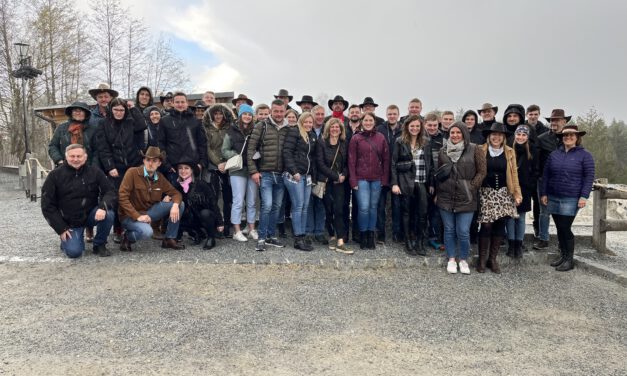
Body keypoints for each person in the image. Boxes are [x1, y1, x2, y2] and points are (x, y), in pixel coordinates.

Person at [41, 144, 116, 258]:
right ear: (66, 157)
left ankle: (99, 244)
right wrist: (61, 228)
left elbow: (110, 191)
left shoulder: (95, 172)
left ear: (85, 157)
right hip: (70, 222)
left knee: (108, 214)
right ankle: (67, 242)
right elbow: (47, 205)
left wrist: (102, 207)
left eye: (79, 156)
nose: (76, 159)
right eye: (72, 156)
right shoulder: (55, 175)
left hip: (90, 214)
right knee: (75, 252)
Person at [541, 125, 595, 272]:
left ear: (577, 138)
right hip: (553, 195)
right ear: (561, 138)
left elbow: (589, 177)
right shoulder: (554, 155)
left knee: (565, 227)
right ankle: (563, 256)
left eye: (571, 135)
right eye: (565, 135)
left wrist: (584, 195)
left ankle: (569, 259)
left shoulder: (585, 155)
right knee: (559, 228)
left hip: (571, 197)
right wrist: (544, 193)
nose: (568, 137)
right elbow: (546, 175)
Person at [436, 122, 486, 275]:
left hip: (466, 197)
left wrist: (471, 187)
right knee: (449, 230)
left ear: (464, 133)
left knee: (463, 231)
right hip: (446, 196)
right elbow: (439, 173)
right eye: (452, 133)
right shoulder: (443, 151)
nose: (455, 135)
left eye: (458, 132)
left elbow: (482, 172)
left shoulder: (475, 149)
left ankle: (463, 259)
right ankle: (451, 258)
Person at [96, 98, 147, 243]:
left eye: (122, 110)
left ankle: (130, 227)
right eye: (116, 110)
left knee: (132, 197)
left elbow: (142, 125)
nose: (119, 113)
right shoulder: (103, 124)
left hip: (132, 164)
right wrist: (110, 166)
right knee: (117, 199)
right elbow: (103, 147)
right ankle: (118, 229)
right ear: (111, 110)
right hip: (115, 168)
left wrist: (134, 109)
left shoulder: (130, 122)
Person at [117, 146, 185, 251]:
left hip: (148, 212)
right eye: (148, 160)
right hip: (129, 215)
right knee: (147, 232)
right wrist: (137, 216)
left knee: (180, 204)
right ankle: (127, 238)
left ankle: (169, 239)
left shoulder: (160, 177)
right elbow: (122, 197)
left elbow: (176, 193)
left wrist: (175, 205)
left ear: (159, 163)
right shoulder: (132, 172)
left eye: (154, 161)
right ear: (143, 161)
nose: (150, 163)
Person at [476, 123, 522, 274]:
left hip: (503, 192)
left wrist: (517, 193)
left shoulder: (509, 152)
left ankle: (492, 259)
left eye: (500, 135)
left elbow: (514, 174)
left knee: (500, 224)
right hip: (486, 192)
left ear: (503, 138)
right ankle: (482, 258)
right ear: (489, 136)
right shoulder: (480, 150)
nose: (496, 137)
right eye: (493, 135)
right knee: (486, 224)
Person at [247, 99, 290, 251]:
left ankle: (271, 236)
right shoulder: (262, 126)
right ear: (271, 111)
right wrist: (253, 171)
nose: (278, 114)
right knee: (267, 206)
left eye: (281, 111)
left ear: (285, 111)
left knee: (277, 207)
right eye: (276, 111)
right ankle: (261, 237)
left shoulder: (289, 128)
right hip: (265, 173)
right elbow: (251, 149)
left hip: (281, 174)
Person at [391, 115, 434, 256]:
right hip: (406, 182)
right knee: (407, 213)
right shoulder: (400, 141)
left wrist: (431, 184)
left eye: (417, 126)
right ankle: (408, 241)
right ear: (407, 126)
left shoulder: (426, 142)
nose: (414, 128)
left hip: (422, 182)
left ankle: (420, 242)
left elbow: (431, 165)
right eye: (412, 126)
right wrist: (395, 183)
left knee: (422, 213)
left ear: (421, 127)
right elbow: (393, 164)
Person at [348, 112, 390, 250]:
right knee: (364, 208)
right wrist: (353, 180)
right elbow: (351, 160)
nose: (368, 122)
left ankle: (371, 235)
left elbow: (386, 160)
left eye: (370, 120)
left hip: (377, 179)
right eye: (365, 120)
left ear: (374, 122)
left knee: (373, 208)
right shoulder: (356, 138)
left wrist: (384, 178)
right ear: (361, 122)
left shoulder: (381, 138)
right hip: (361, 178)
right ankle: (363, 235)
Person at [221, 104, 259, 242]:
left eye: (249, 114)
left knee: (252, 201)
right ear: (240, 115)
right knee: (238, 201)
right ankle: (236, 231)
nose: (247, 116)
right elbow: (224, 150)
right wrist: (237, 155)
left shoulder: (256, 129)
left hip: (252, 169)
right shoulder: (231, 130)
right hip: (237, 170)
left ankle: (251, 228)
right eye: (245, 114)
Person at [534, 109, 569, 250]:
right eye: (552, 120)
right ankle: (543, 238)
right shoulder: (542, 138)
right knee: (544, 211)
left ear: (564, 121)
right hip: (544, 180)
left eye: (557, 120)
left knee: (562, 212)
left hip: (564, 181)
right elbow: (536, 159)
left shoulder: (569, 137)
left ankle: (563, 241)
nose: (554, 123)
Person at [283, 112, 317, 251]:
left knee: (305, 206)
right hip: (294, 175)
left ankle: (302, 235)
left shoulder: (312, 136)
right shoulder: (294, 132)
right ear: (301, 121)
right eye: (306, 122)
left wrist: (313, 175)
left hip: (307, 176)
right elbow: (287, 152)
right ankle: (298, 238)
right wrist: (294, 170)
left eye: (311, 122)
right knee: (298, 206)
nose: (308, 124)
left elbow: (312, 158)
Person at [317, 117, 352, 254]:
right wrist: (336, 176)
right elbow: (320, 164)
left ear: (341, 129)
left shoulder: (344, 143)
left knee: (339, 210)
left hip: (340, 183)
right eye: (332, 127)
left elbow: (348, 162)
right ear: (328, 128)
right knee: (328, 209)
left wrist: (343, 175)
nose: (335, 129)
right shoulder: (322, 143)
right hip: (326, 181)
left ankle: (340, 241)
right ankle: (331, 235)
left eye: (337, 127)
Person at [158, 92, 208, 185]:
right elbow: (161, 144)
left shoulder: (195, 121)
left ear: (187, 103)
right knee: (175, 196)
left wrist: (201, 163)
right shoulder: (165, 121)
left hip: (192, 166)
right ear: (173, 103)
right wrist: (166, 165)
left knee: (193, 196)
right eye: (177, 102)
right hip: (173, 167)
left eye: (182, 102)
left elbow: (202, 143)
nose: (180, 104)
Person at [173, 162, 224, 250]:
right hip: (191, 217)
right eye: (180, 168)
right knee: (178, 211)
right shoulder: (176, 186)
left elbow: (213, 203)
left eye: (186, 168)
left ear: (192, 170)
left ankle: (211, 237)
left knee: (205, 213)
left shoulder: (201, 184)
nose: (183, 171)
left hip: (206, 216)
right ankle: (197, 232)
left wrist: (220, 222)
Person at [506, 125, 538, 258]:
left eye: (524, 135)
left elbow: (536, 170)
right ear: (515, 135)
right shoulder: (508, 149)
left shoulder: (532, 150)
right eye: (518, 134)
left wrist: (530, 186)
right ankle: (511, 244)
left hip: (525, 188)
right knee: (509, 217)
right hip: (509, 187)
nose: (520, 137)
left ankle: (519, 244)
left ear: (527, 136)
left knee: (520, 217)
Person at [204, 103, 235, 237]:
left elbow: (234, 145)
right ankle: (217, 224)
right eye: (215, 114)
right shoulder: (207, 128)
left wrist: (226, 162)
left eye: (220, 113)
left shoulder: (230, 128)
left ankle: (227, 225)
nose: (218, 116)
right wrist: (218, 163)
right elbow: (208, 148)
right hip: (213, 167)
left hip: (229, 165)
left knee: (228, 198)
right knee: (214, 197)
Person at [377, 104, 403, 243]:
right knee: (380, 205)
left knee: (397, 206)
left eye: (394, 114)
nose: (392, 116)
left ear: (398, 115)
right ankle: (380, 234)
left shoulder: (403, 129)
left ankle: (397, 233)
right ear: (386, 115)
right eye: (390, 114)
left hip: (398, 172)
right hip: (382, 172)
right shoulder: (380, 129)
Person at [48, 102, 98, 167]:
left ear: (86, 113)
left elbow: (97, 150)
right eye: (75, 110)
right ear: (71, 113)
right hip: (65, 166)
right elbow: (53, 146)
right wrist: (59, 160)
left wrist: (93, 167)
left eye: (81, 111)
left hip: (87, 168)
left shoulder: (93, 129)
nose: (78, 113)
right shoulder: (62, 128)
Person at [525, 104, 548, 240]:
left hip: (539, 172)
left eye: (535, 114)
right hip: (524, 171)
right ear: (527, 115)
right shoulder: (522, 128)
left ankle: (538, 228)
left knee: (539, 203)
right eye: (530, 114)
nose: (533, 116)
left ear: (539, 115)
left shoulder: (544, 130)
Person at [424, 112, 445, 251]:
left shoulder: (443, 138)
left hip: (438, 179)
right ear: (425, 124)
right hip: (422, 179)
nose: (432, 128)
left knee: (436, 211)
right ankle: (420, 236)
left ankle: (435, 238)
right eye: (429, 125)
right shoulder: (420, 137)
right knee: (421, 210)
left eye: (434, 125)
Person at [306, 105, 327, 244]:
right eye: (317, 114)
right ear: (312, 115)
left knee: (320, 202)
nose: (319, 116)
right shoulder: (307, 128)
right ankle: (308, 231)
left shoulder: (328, 129)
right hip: (308, 171)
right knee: (308, 203)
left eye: (322, 114)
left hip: (323, 172)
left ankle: (319, 231)